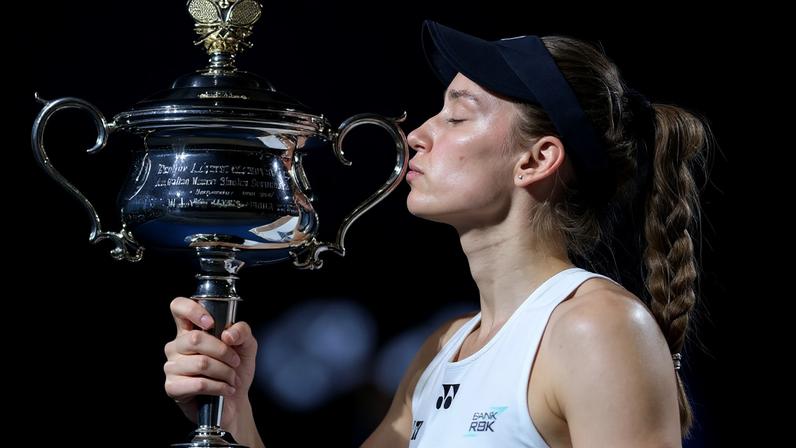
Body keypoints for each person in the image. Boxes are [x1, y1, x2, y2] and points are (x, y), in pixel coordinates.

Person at [163, 21, 711, 448]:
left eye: (456, 116)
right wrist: (234, 412)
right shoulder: (442, 350)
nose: (417, 135)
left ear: (537, 159)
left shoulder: (599, 328)